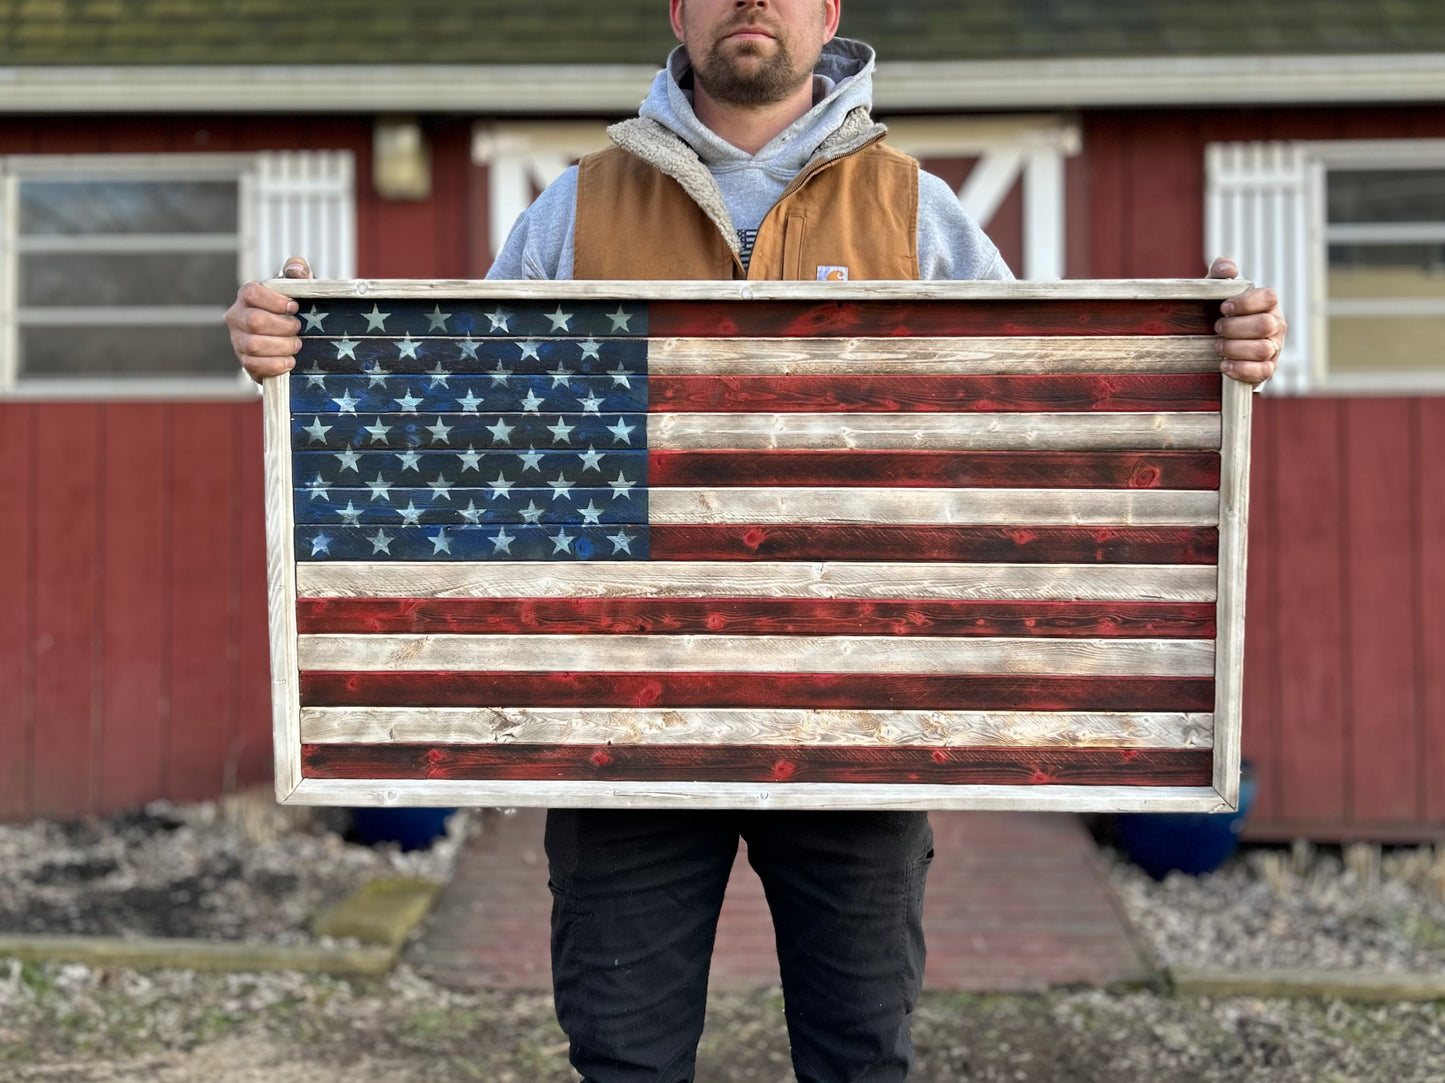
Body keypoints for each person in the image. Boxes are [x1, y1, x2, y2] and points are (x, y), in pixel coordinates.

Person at [228, 3, 1287, 1079]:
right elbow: (465, 435)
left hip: (858, 725)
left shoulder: (916, 213)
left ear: (825, 12)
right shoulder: (574, 208)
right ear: (677, 12)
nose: (749, 2)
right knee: (624, 1059)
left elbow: (1040, 425)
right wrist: (302, 355)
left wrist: (1213, 358)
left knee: (858, 1056)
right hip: (618, 737)